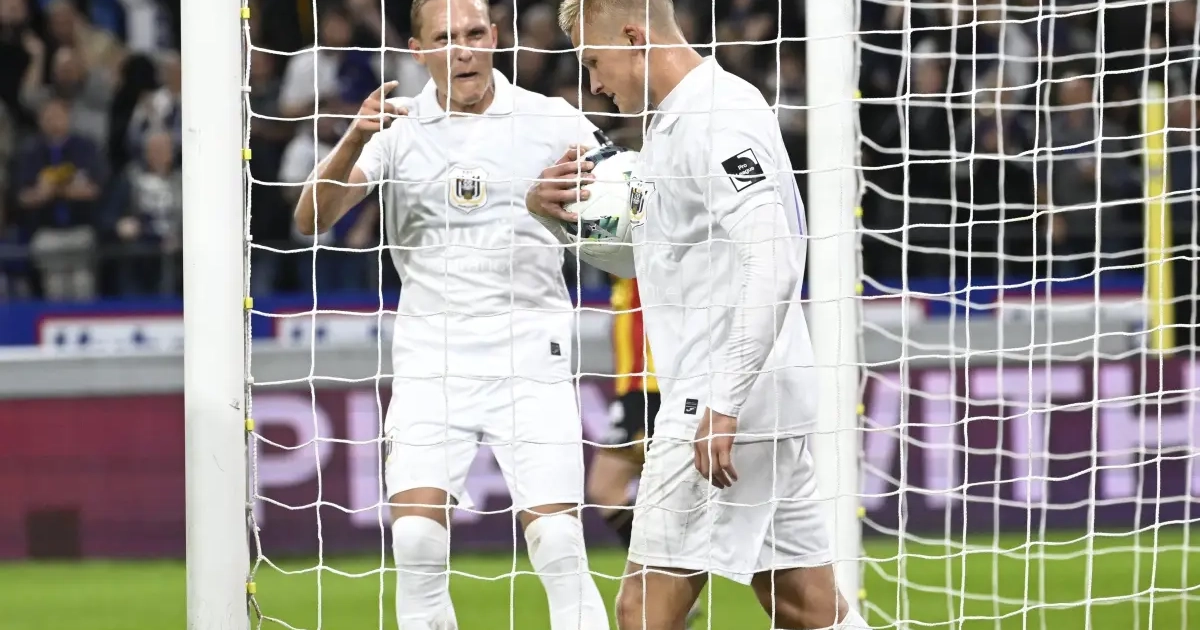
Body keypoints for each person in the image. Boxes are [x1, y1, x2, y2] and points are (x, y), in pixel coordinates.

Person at [526, 1, 872, 629]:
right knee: (806, 605)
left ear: (635, 38)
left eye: (595, 62)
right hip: (755, 394)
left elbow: (773, 258)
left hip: (718, 399)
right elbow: (647, 256)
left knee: (642, 609)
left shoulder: (716, 118)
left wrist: (725, 402)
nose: (594, 84)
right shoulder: (676, 120)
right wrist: (559, 223)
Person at [292, 0, 623, 628]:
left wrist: (580, 217)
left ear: (495, 37)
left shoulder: (552, 118)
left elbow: (628, 210)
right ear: (418, 51)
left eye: (474, 33)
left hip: (531, 350)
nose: (463, 49)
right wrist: (353, 138)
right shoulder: (395, 128)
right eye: (445, 37)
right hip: (432, 356)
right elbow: (312, 217)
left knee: (558, 543)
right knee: (416, 543)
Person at [587, 275, 702, 628]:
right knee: (623, 490)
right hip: (637, 388)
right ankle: (667, 586)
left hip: (651, 387)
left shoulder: (644, 257)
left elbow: (597, 234)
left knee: (610, 486)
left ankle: (667, 584)